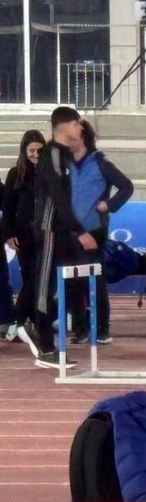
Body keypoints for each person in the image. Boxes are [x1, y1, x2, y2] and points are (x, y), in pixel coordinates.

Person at [35, 110, 131, 352]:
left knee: (94, 278)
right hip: (65, 229)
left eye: (80, 132)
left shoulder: (99, 162)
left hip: (91, 229)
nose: (77, 135)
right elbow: (58, 197)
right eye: (75, 127)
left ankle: (100, 328)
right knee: (68, 280)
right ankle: (72, 328)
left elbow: (126, 186)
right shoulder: (59, 158)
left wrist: (107, 205)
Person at [2, 130, 44, 346]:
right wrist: (8, 234)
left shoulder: (50, 173)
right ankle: (20, 323)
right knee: (30, 279)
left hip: (47, 235)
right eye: (31, 150)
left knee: (39, 281)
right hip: (22, 236)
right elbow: (7, 208)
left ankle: (25, 323)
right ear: (24, 151)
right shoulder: (14, 174)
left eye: (39, 150)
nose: (35, 154)